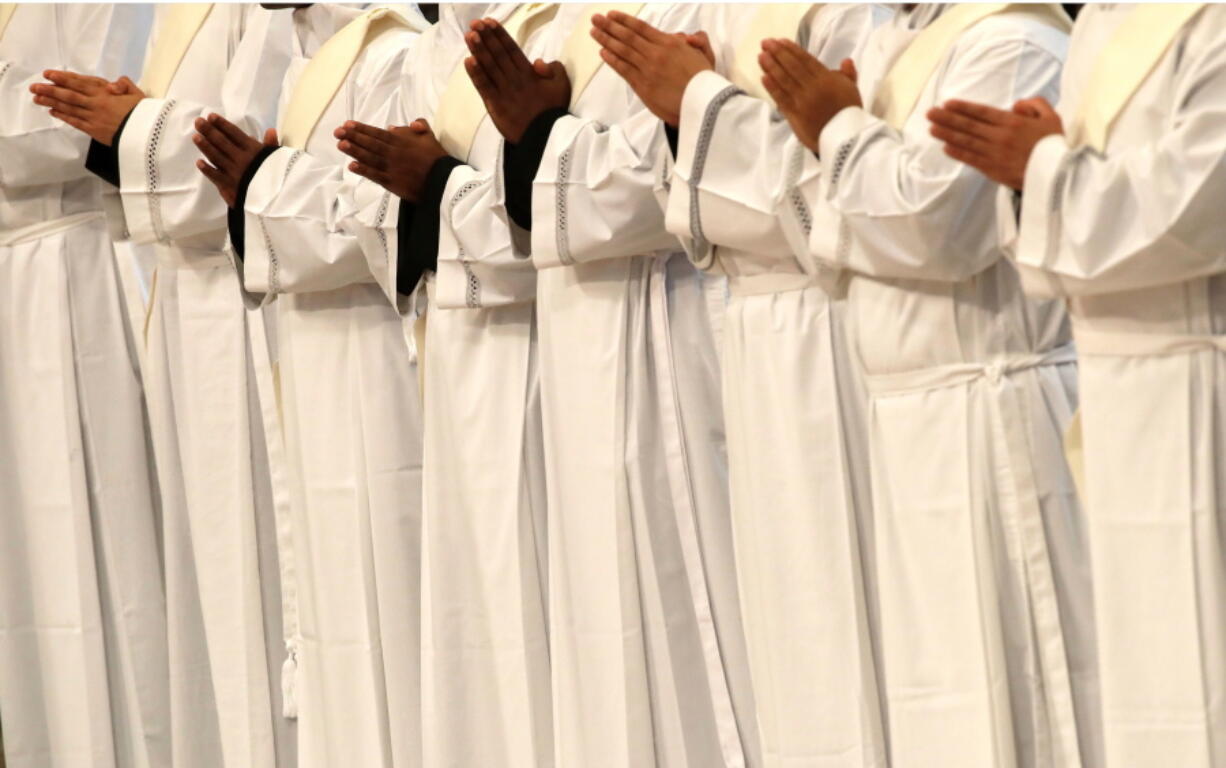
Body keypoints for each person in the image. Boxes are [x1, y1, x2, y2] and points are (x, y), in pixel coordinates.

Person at [758, 5, 1102, 767]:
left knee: (1022, 689)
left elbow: (936, 225)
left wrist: (837, 131)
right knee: (939, 699)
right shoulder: (899, 44)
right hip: (909, 419)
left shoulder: (1014, 40)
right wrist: (826, 133)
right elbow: (825, 236)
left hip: (991, 410)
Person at [592, 6, 893, 767]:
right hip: (753, 341)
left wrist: (696, 104)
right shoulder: (725, 14)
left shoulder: (848, 14)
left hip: (835, 330)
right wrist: (681, 117)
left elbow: (843, 195)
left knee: (850, 637)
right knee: (788, 647)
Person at [460, 6, 759, 766]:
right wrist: (529, 135)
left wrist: (541, 136)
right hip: (578, 350)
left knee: (707, 631)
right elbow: (517, 207)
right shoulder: (558, 20)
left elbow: (686, 166)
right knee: (605, 639)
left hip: (678, 338)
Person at [929, 5, 1226, 765]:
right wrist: (1031, 173)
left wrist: (1043, 169)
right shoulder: (1103, 19)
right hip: (1118, 385)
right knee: (1147, 679)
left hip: (1200, 374)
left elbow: (1198, 201)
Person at [31, 6, 297, 766]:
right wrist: (129, 123)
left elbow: (255, 143)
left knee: (265, 598)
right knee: (209, 605)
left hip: (253, 309)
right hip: (185, 305)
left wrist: (133, 127)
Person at [192, 5, 429, 766]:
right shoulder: (307, 59)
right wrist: (254, 190)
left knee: (395, 617)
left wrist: (260, 182)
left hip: (380, 374)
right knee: (339, 634)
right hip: (318, 369)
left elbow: (377, 223)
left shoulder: (395, 53)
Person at [334, 3, 557, 765]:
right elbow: (362, 213)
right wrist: (414, 189)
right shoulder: (424, 53)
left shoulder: (548, 27)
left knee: (535, 620)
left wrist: (435, 188)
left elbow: (545, 215)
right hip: (451, 353)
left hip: (531, 355)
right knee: (472, 629)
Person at [0, 5, 168, 768]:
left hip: (75, 273)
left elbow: (75, 121)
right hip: (16, 277)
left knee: (106, 561)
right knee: (26, 595)